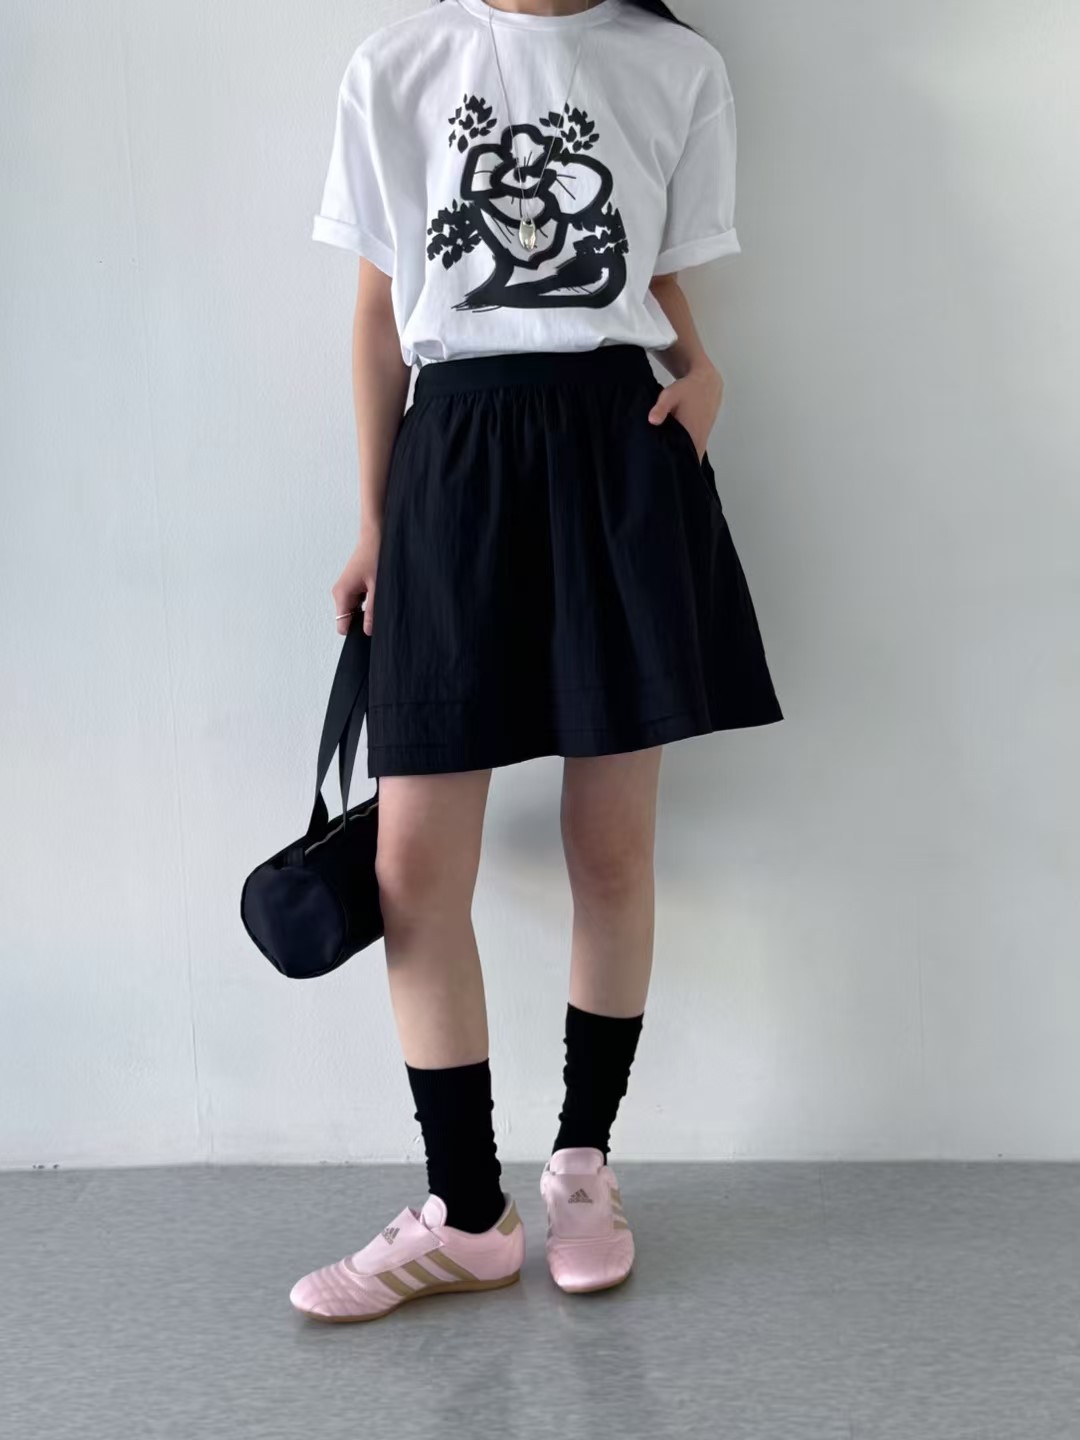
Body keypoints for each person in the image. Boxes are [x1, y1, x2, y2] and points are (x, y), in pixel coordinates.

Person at [289, 0, 782, 1323]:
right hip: (451, 460)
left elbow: (654, 274)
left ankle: (582, 1165)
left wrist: (706, 375)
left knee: (609, 850)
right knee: (411, 869)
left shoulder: (674, 65)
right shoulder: (398, 67)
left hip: (620, 456)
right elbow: (380, 312)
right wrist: (376, 526)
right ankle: (466, 1212)